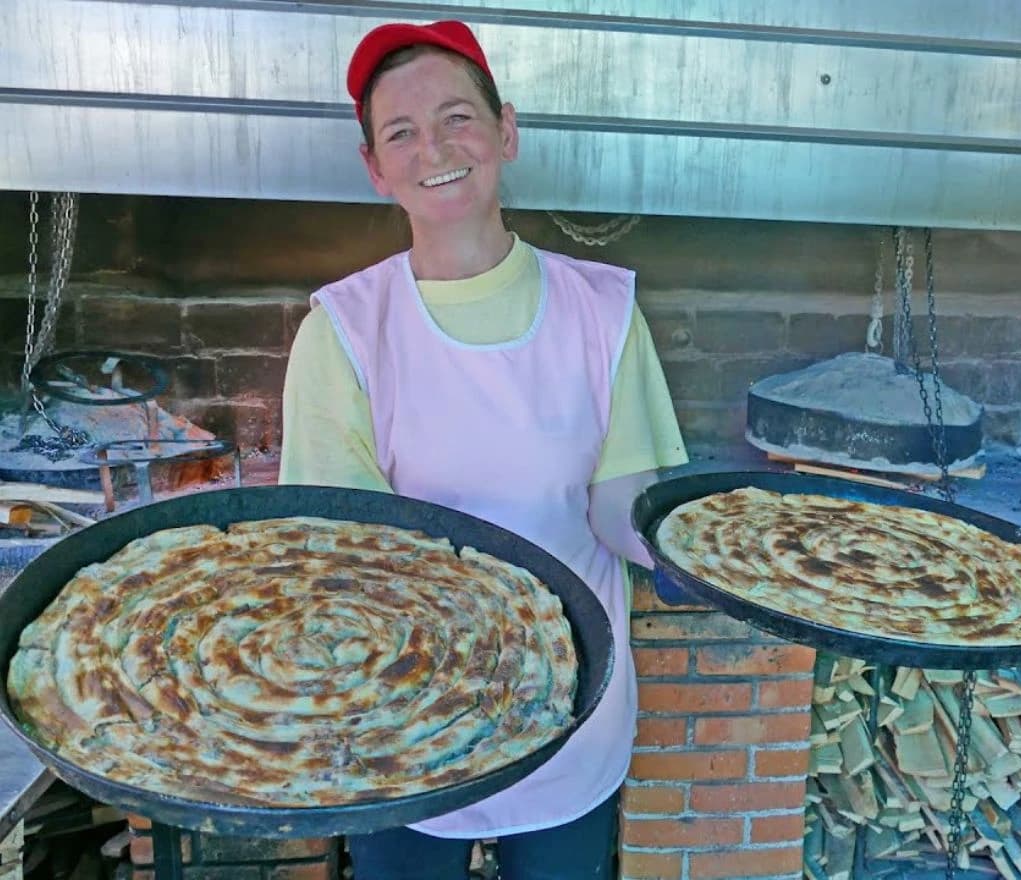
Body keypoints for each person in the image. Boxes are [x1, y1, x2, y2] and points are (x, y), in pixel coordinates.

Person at [278, 18, 687, 880]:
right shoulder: (345, 331)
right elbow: (342, 553)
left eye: (458, 118)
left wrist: (715, 567)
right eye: (402, 133)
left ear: (506, 131)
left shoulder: (601, 310)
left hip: (574, 702)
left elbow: (621, 509)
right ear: (375, 168)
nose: (435, 148)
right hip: (405, 710)